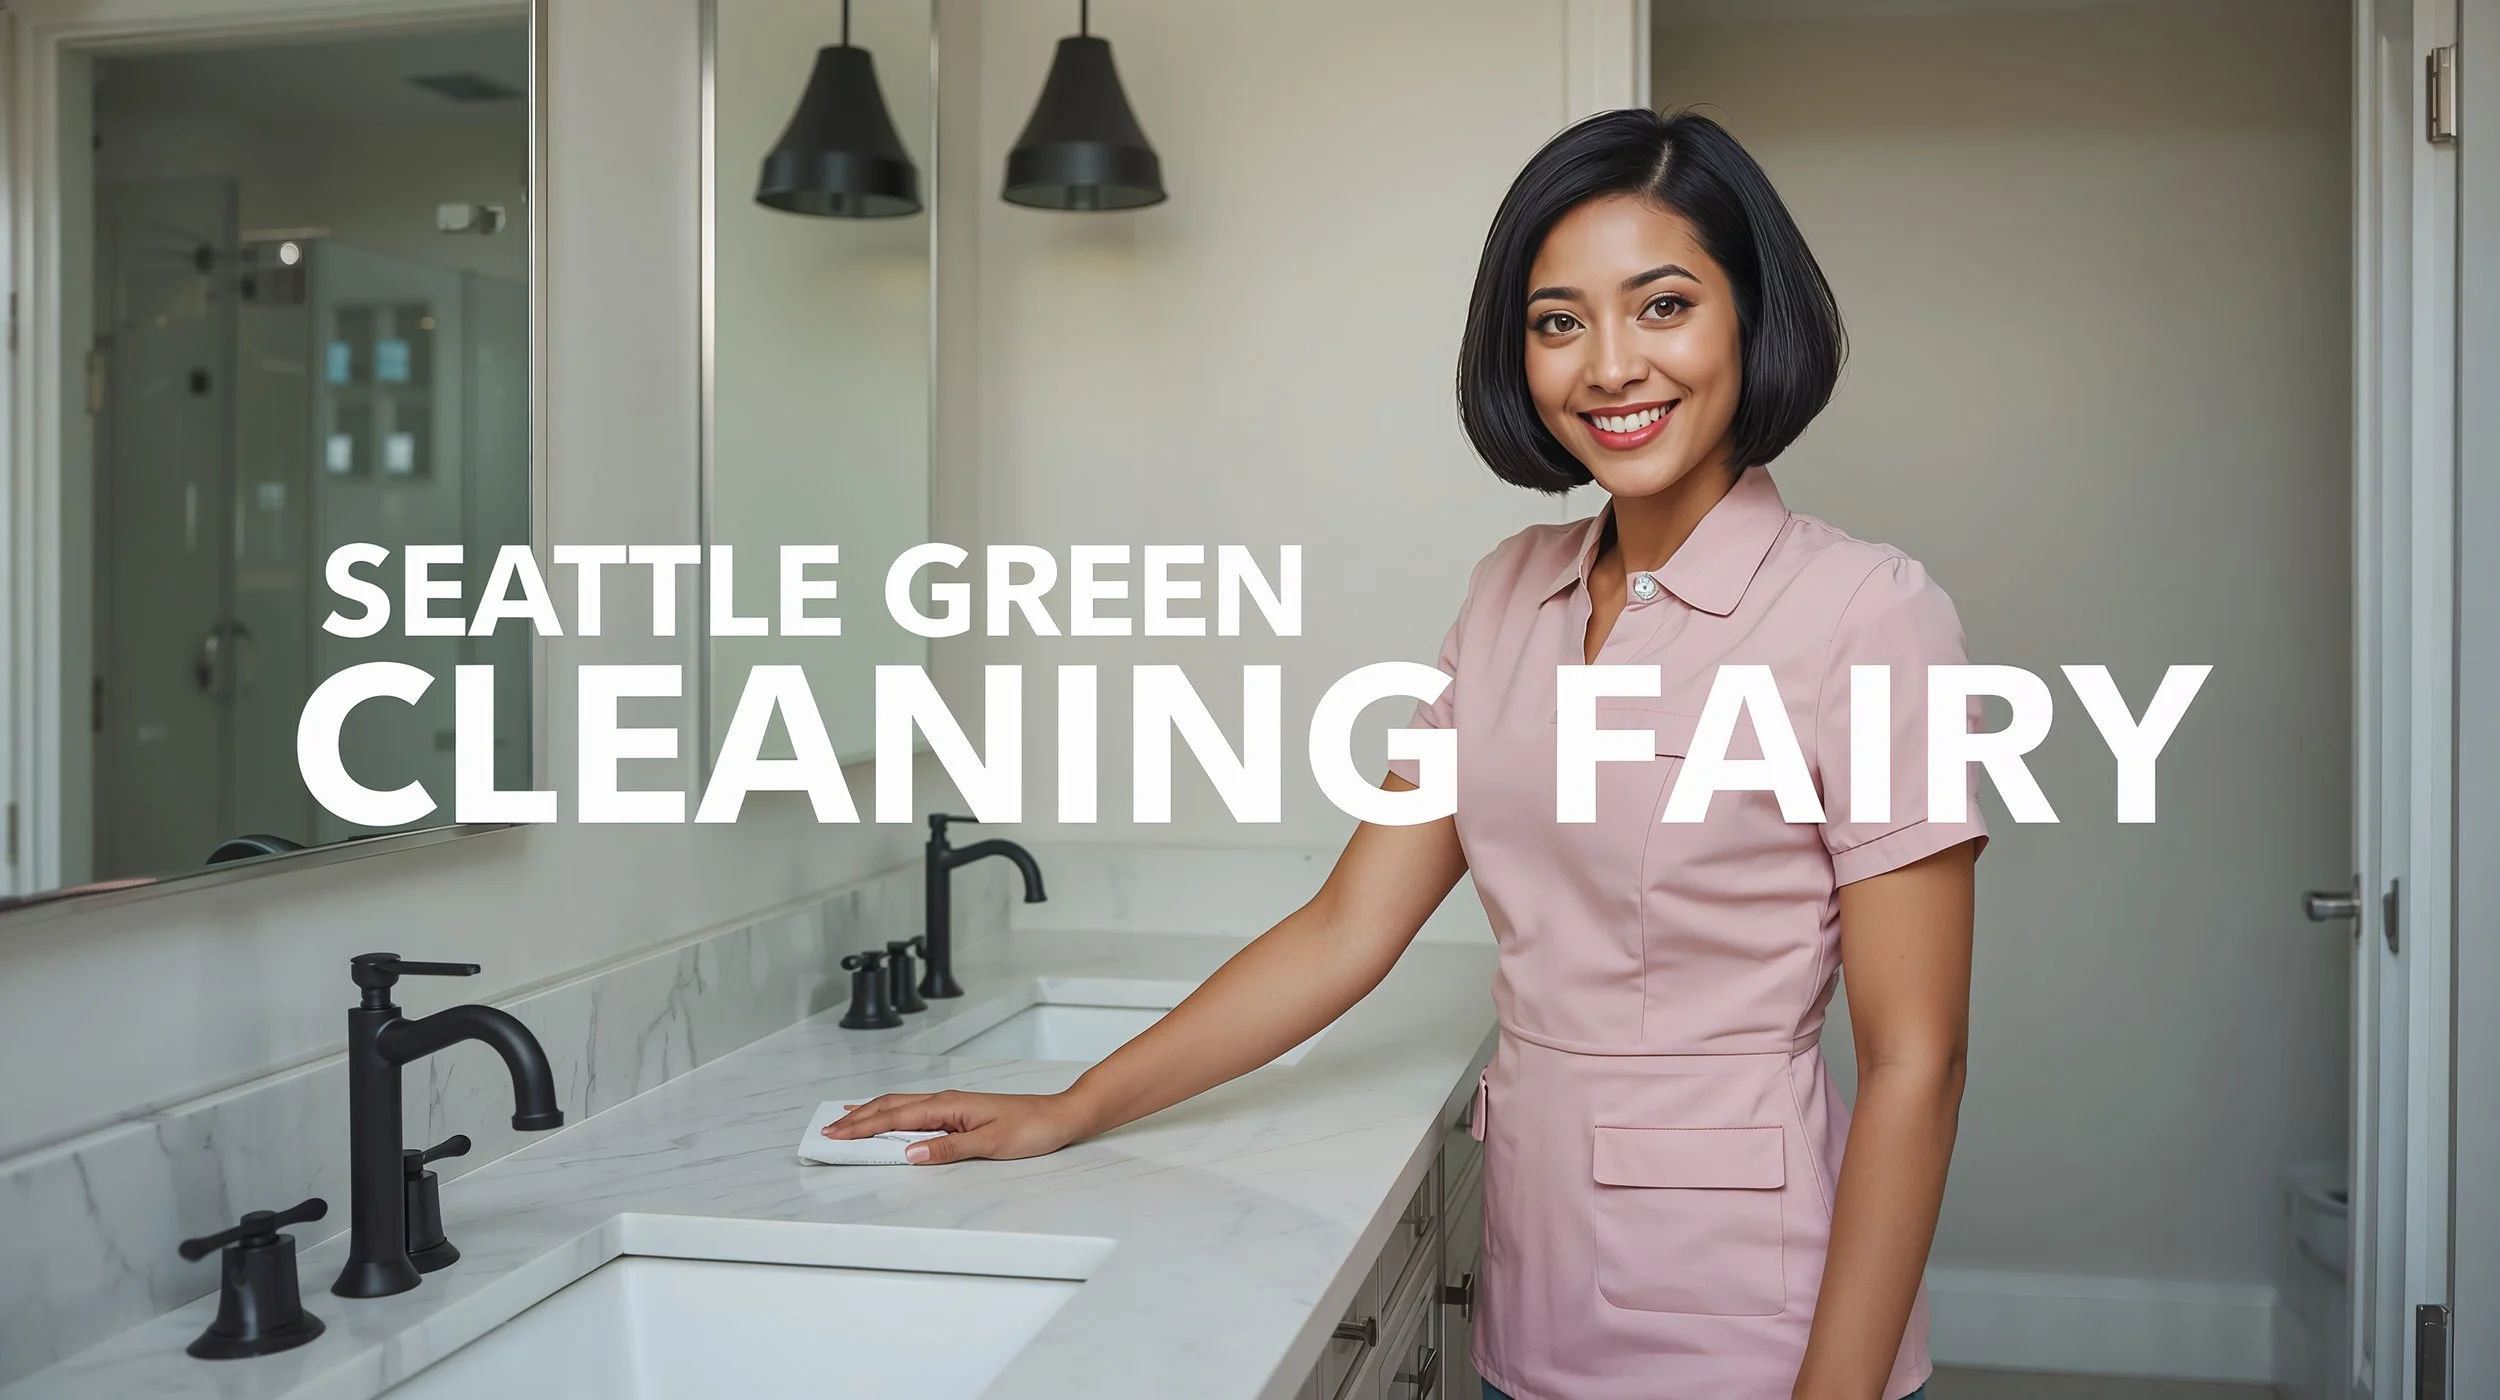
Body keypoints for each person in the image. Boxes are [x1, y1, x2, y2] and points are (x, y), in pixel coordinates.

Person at [827, 108, 1985, 1400]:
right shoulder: (1510, 595)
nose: (1609, 366)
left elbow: (1914, 1059)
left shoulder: (1863, 611)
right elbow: (1346, 927)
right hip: (1531, 1308)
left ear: (1747, 319)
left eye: (1662, 306)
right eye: (1558, 323)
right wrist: (1073, 1107)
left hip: (1751, 1331)